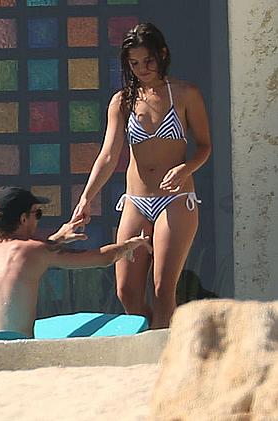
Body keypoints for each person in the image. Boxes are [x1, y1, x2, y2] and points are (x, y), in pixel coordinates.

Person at [72, 23, 212, 329]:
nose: (141, 69)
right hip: (136, 200)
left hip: (175, 200)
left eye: (147, 61)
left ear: (162, 54)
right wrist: (86, 199)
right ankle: (156, 341)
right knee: (127, 292)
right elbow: (108, 155)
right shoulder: (122, 101)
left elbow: (204, 146)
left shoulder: (186, 94)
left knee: (163, 289)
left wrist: (186, 167)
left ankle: (162, 361)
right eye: (133, 63)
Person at [0, 186, 151, 337]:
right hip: (15, 349)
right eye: (37, 213)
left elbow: (23, 255)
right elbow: (103, 258)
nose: (37, 219)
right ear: (23, 218)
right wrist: (129, 245)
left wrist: (58, 238)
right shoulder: (35, 251)